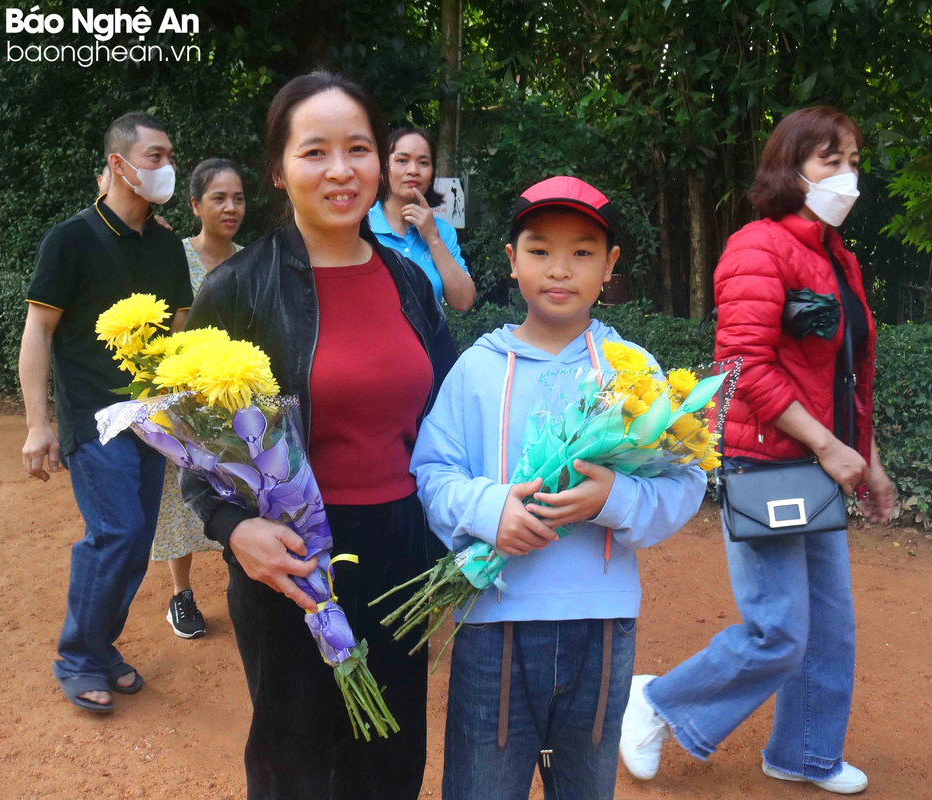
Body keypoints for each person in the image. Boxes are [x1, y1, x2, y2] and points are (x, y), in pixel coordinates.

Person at [179, 71, 456, 799]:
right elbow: (194, 452)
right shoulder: (237, 288)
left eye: (358, 148)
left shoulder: (407, 282)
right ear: (279, 168)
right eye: (315, 152)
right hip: (290, 562)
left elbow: (448, 420)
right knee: (294, 762)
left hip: (403, 552)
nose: (341, 170)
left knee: (390, 756)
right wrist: (235, 530)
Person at [619, 107, 895, 795]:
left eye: (854, 160)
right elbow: (743, 364)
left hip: (821, 458)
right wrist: (830, 447)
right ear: (789, 167)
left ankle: (803, 753)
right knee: (779, 630)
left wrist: (870, 458)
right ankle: (656, 703)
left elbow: (848, 374)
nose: (847, 175)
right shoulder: (756, 246)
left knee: (828, 626)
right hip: (768, 461)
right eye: (831, 159)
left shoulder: (840, 260)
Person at [409, 176, 707, 800]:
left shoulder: (635, 374)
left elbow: (686, 480)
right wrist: (490, 512)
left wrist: (614, 501)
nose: (560, 270)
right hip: (492, 617)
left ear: (610, 267)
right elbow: (432, 472)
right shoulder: (476, 369)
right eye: (540, 250)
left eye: (583, 252)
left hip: (601, 626)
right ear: (512, 261)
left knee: (586, 788)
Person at [20, 112, 193, 713]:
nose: (167, 166)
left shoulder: (168, 244)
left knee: (139, 538)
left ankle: (99, 646)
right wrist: (38, 424)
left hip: (151, 419)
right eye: (155, 156)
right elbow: (39, 331)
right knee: (116, 532)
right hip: (94, 418)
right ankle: (77, 656)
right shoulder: (69, 240)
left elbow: (178, 328)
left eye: (170, 155)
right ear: (118, 165)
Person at [152, 158, 246, 639]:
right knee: (180, 495)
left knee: (241, 488)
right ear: (195, 205)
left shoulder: (252, 260)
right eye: (218, 198)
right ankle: (181, 594)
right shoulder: (173, 256)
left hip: (238, 397)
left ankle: (242, 581)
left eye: (238, 198)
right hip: (185, 396)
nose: (231, 208)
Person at [367, 127, 476, 310]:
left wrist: (433, 239)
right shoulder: (361, 227)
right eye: (402, 160)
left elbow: (464, 302)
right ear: (383, 168)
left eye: (423, 163)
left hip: (431, 338)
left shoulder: (442, 231)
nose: (413, 170)